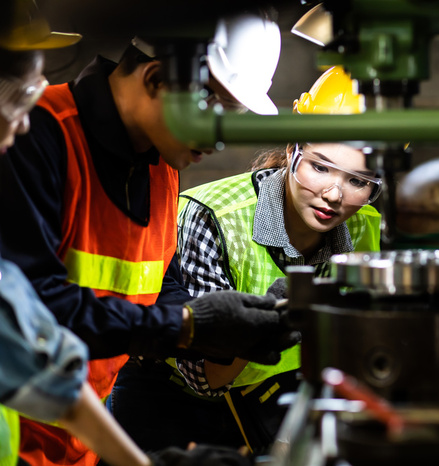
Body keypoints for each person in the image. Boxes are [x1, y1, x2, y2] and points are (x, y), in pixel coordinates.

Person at [0, 8, 299, 466]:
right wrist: (186, 327)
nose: (221, 141)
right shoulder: (32, 134)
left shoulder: (162, 162)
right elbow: (36, 310)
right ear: (157, 79)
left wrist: (235, 325)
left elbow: (158, 281)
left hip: (83, 434)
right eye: (216, 114)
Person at [108, 66, 382, 457]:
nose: (334, 194)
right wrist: (270, 322)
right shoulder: (210, 217)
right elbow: (205, 378)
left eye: (358, 181)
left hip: (272, 396)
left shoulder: (367, 229)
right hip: (173, 402)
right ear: (292, 153)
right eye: (320, 167)